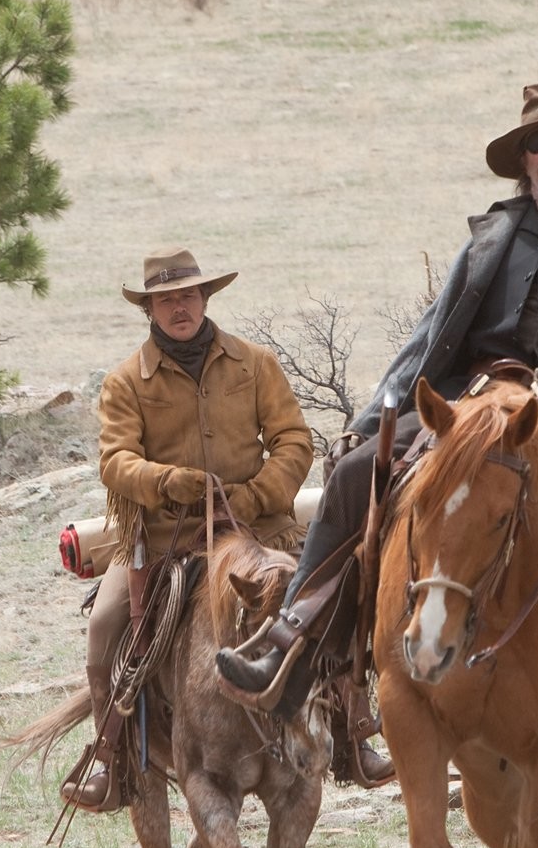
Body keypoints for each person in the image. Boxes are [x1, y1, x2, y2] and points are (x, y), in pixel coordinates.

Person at [216, 83, 538, 772]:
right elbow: (432, 336)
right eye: (536, 145)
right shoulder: (494, 232)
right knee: (349, 479)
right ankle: (296, 647)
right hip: (471, 401)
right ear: (523, 163)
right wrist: (376, 419)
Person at [63, 247, 382, 811]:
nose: (178, 308)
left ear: (205, 298)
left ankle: (355, 733)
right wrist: (168, 483)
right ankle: (109, 758)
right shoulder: (124, 383)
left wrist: (256, 494)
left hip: (260, 531)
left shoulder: (255, 364)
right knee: (106, 625)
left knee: (332, 601)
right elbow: (116, 461)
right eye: (166, 300)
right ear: (150, 310)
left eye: (187, 295)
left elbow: (293, 440)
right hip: (165, 537)